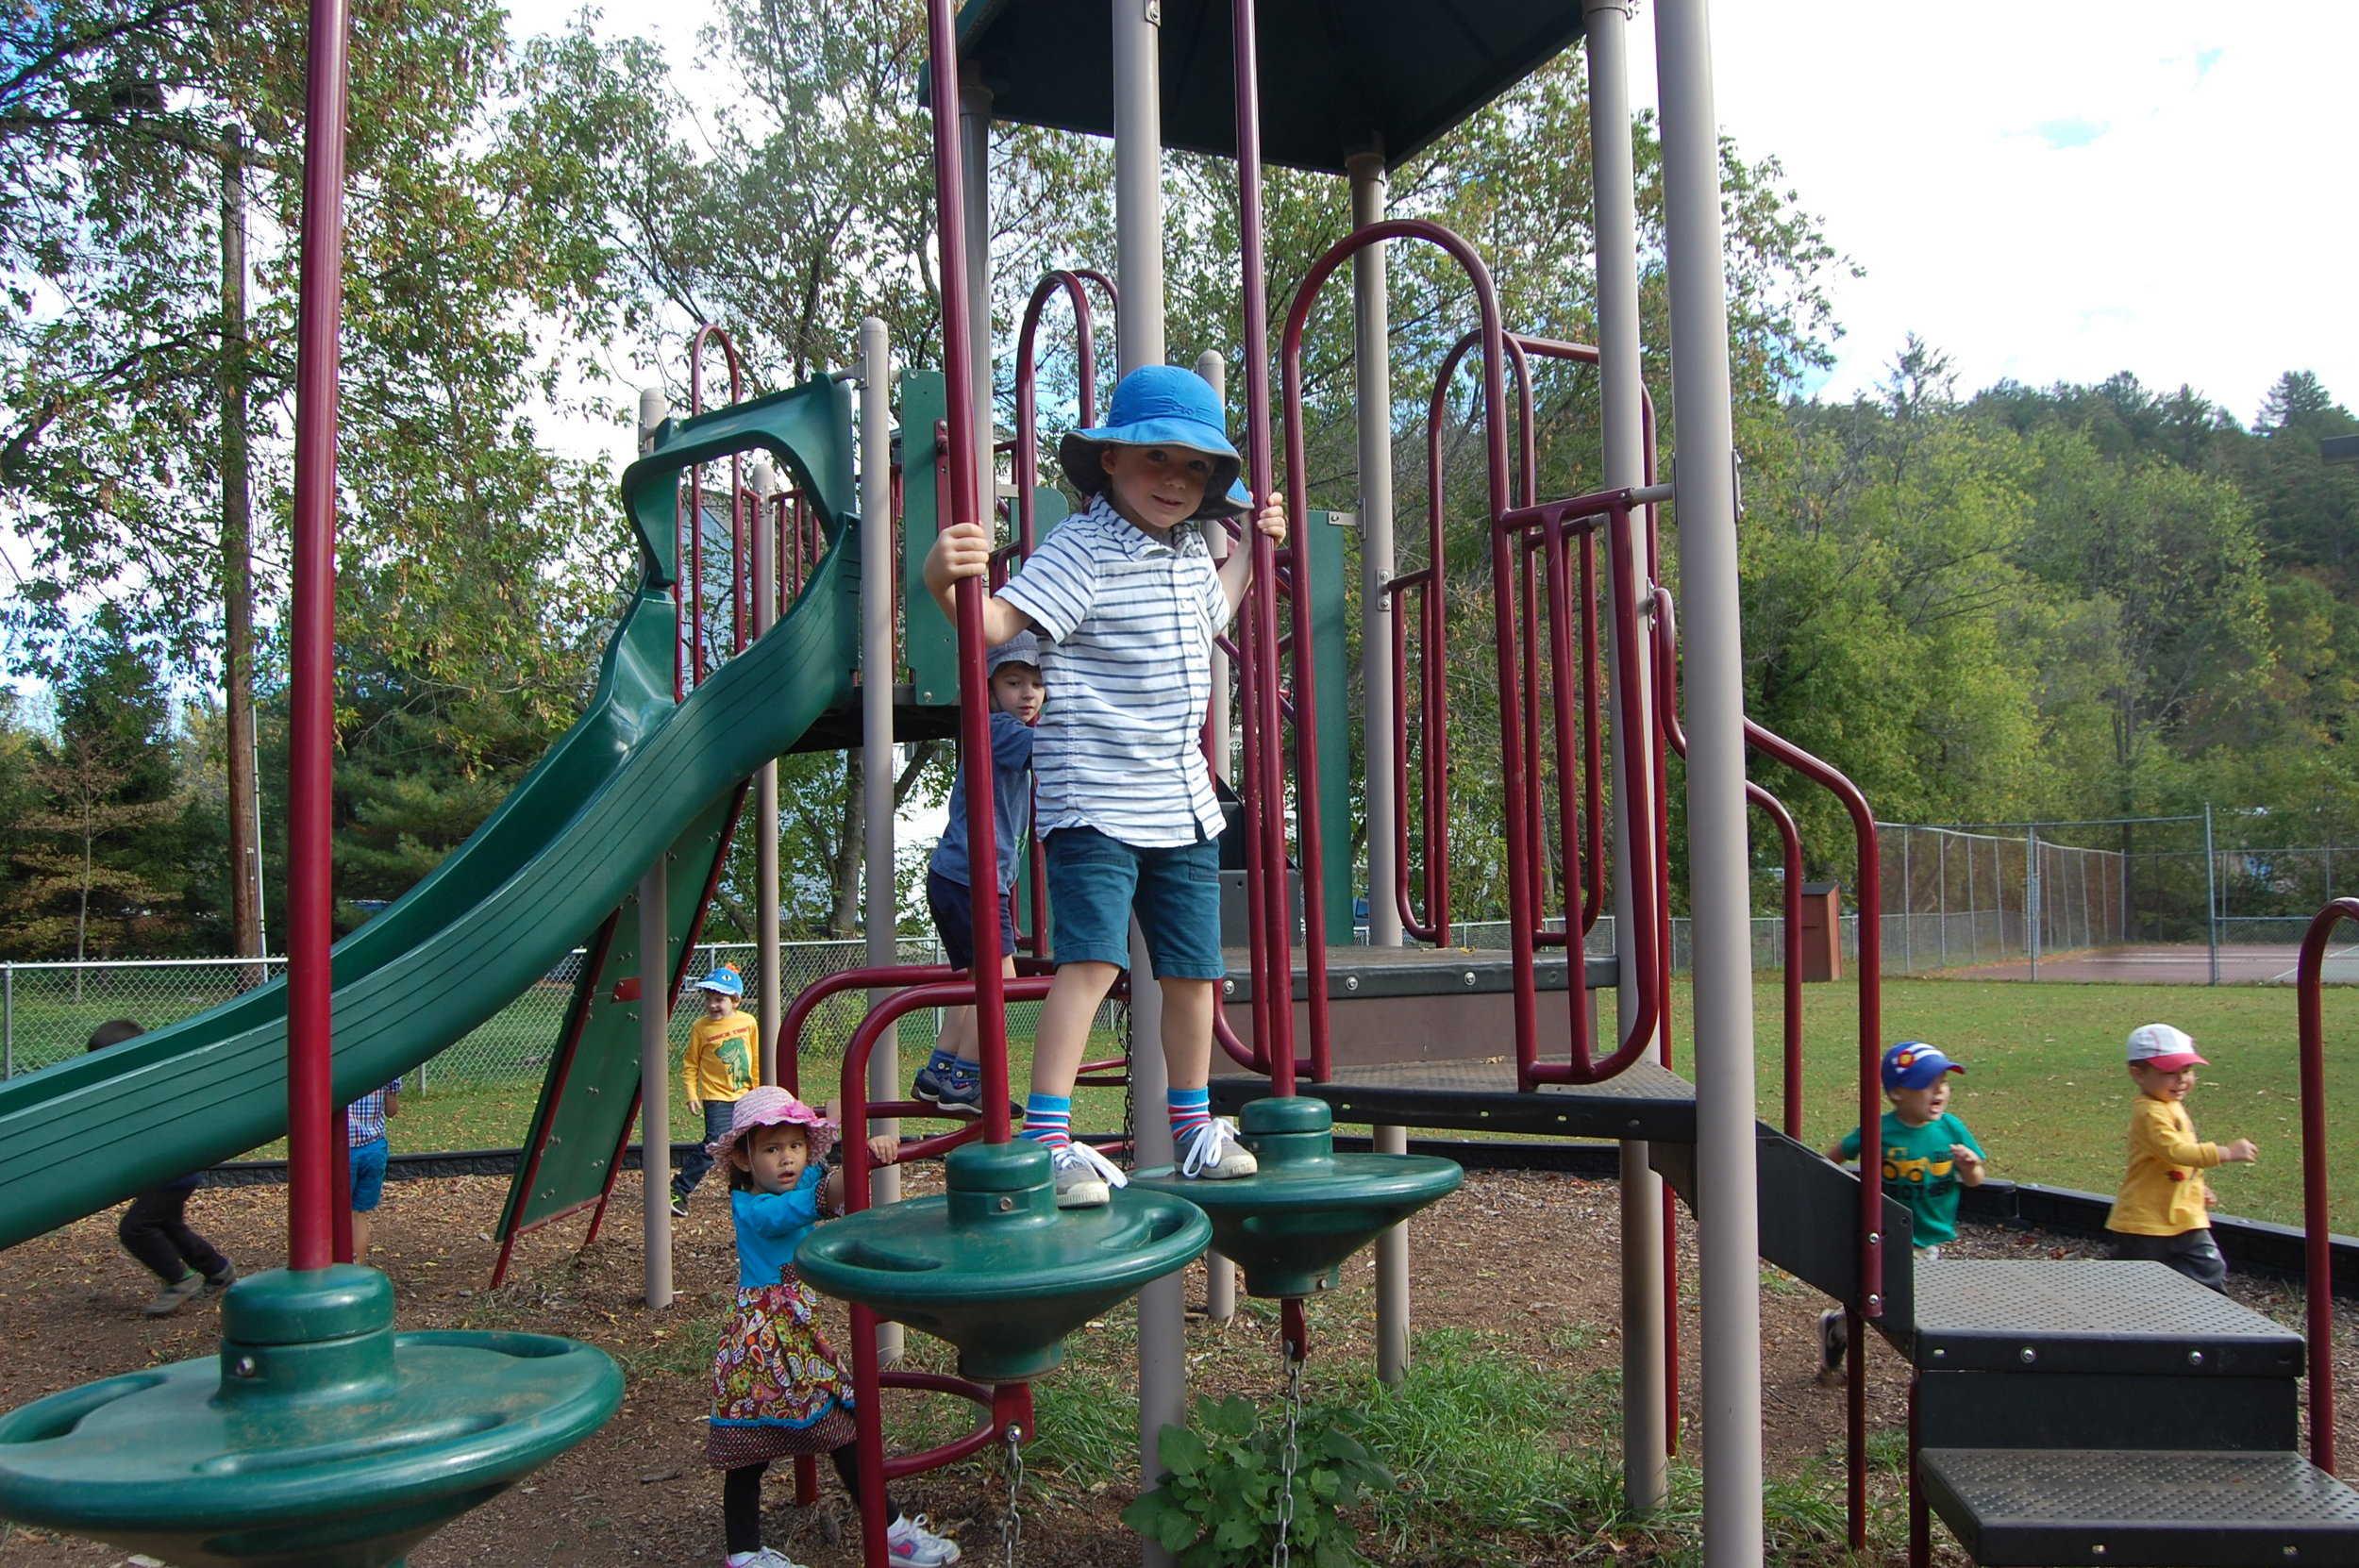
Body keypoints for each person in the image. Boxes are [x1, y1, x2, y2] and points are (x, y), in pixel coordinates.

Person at [921, 363, 1286, 1208]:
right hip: (1094, 795)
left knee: (1196, 973)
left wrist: (1259, 553)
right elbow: (995, 625)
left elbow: (1216, 610)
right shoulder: (1083, 547)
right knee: (1091, 962)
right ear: (1111, 463)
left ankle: (1193, 1126)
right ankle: (1049, 1135)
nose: (1176, 482)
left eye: (1194, 468)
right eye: (1157, 460)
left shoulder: (1193, 550)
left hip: (1182, 800)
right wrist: (942, 580)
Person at [706, 1086, 960, 1568]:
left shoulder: (792, 1186)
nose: (787, 1160)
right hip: (765, 1345)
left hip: (786, 1343)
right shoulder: (756, 1210)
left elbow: (823, 1183)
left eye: (796, 1147)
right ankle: (885, 1534)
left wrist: (855, 1142)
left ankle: (748, 1552)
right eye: (771, 1149)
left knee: (767, 1447)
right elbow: (820, 1197)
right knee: (813, 1437)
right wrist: (861, 1158)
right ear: (742, 1160)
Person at [912, 632, 1045, 1117]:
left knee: (975, 980)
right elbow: (1047, 753)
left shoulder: (993, 729)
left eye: (1037, 683)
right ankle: (965, 1082)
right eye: (1013, 682)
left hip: (955, 876)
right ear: (988, 688)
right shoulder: (999, 729)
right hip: (973, 880)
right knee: (1000, 982)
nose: (1027, 694)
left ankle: (940, 1071)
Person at [1817, 1041, 1988, 1380]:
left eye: (1944, 1082)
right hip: (1889, 1231)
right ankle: (1937, 1369)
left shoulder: (1951, 1128)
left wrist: (1970, 1166)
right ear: (1898, 1093)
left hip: (1929, 1235)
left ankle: (1837, 1327)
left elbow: (1975, 1180)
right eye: (1928, 1083)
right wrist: (1825, 1183)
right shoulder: (1880, 1131)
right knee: (1904, 1300)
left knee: (1883, 1300)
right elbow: (1837, 1154)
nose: (1940, 1090)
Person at [88, 1019, 237, 1315]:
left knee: (135, 1228)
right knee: (169, 1225)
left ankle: (178, 1280)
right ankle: (219, 1270)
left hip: (170, 1173)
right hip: (176, 1169)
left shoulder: (139, 1088)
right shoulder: (150, 1079)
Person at [2105, 1023, 2258, 1293]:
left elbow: (2176, 1163)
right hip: (2146, 1220)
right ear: (2138, 1074)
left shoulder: (2169, 1105)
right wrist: (2225, 1153)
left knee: (2209, 1268)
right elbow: (2175, 1151)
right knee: (2133, 1280)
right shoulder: (2150, 1112)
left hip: (2183, 1216)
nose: (2182, 1080)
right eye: (2169, 1073)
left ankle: (2209, 1323)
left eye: (2187, 1071)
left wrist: (2195, 1187)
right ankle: (2104, 1299)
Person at [677, 963, 761, 1217]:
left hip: (745, 1094)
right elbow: (690, 1063)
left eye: (719, 999)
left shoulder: (748, 1022)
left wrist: (757, 1090)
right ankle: (679, 1189)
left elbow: (755, 1057)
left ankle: (745, 1188)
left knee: (750, 1143)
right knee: (714, 1144)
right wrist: (692, 1094)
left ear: (735, 1000)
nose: (713, 1004)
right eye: (709, 999)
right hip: (717, 1097)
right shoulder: (701, 1028)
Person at [347, 1076, 402, 1260]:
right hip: (374, 1149)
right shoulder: (387, 1066)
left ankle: (335, 1267)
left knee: (336, 1211)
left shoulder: (336, 1062)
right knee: (358, 1213)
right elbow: (392, 1111)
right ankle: (358, 1266)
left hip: (342, 1148)